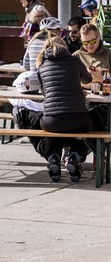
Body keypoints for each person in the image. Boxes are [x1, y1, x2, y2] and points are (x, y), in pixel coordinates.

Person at [32, 35, 95, 182]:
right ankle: (75, 156)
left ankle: (53, 157)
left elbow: (44, 91)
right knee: (87, 128)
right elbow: (88, 79)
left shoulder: (41, 65)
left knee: (54, 130)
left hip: (51, 120)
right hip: (78, 119)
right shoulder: (74, 60)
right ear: (64, 46)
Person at [74, 24, 111, 91]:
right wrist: (84, 83)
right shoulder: (76, 56)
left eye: (92, 41)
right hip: (81, 98)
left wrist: (102, 78)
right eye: (85, 43)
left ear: (99, 37)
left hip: (106, 98)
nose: (89, 45)